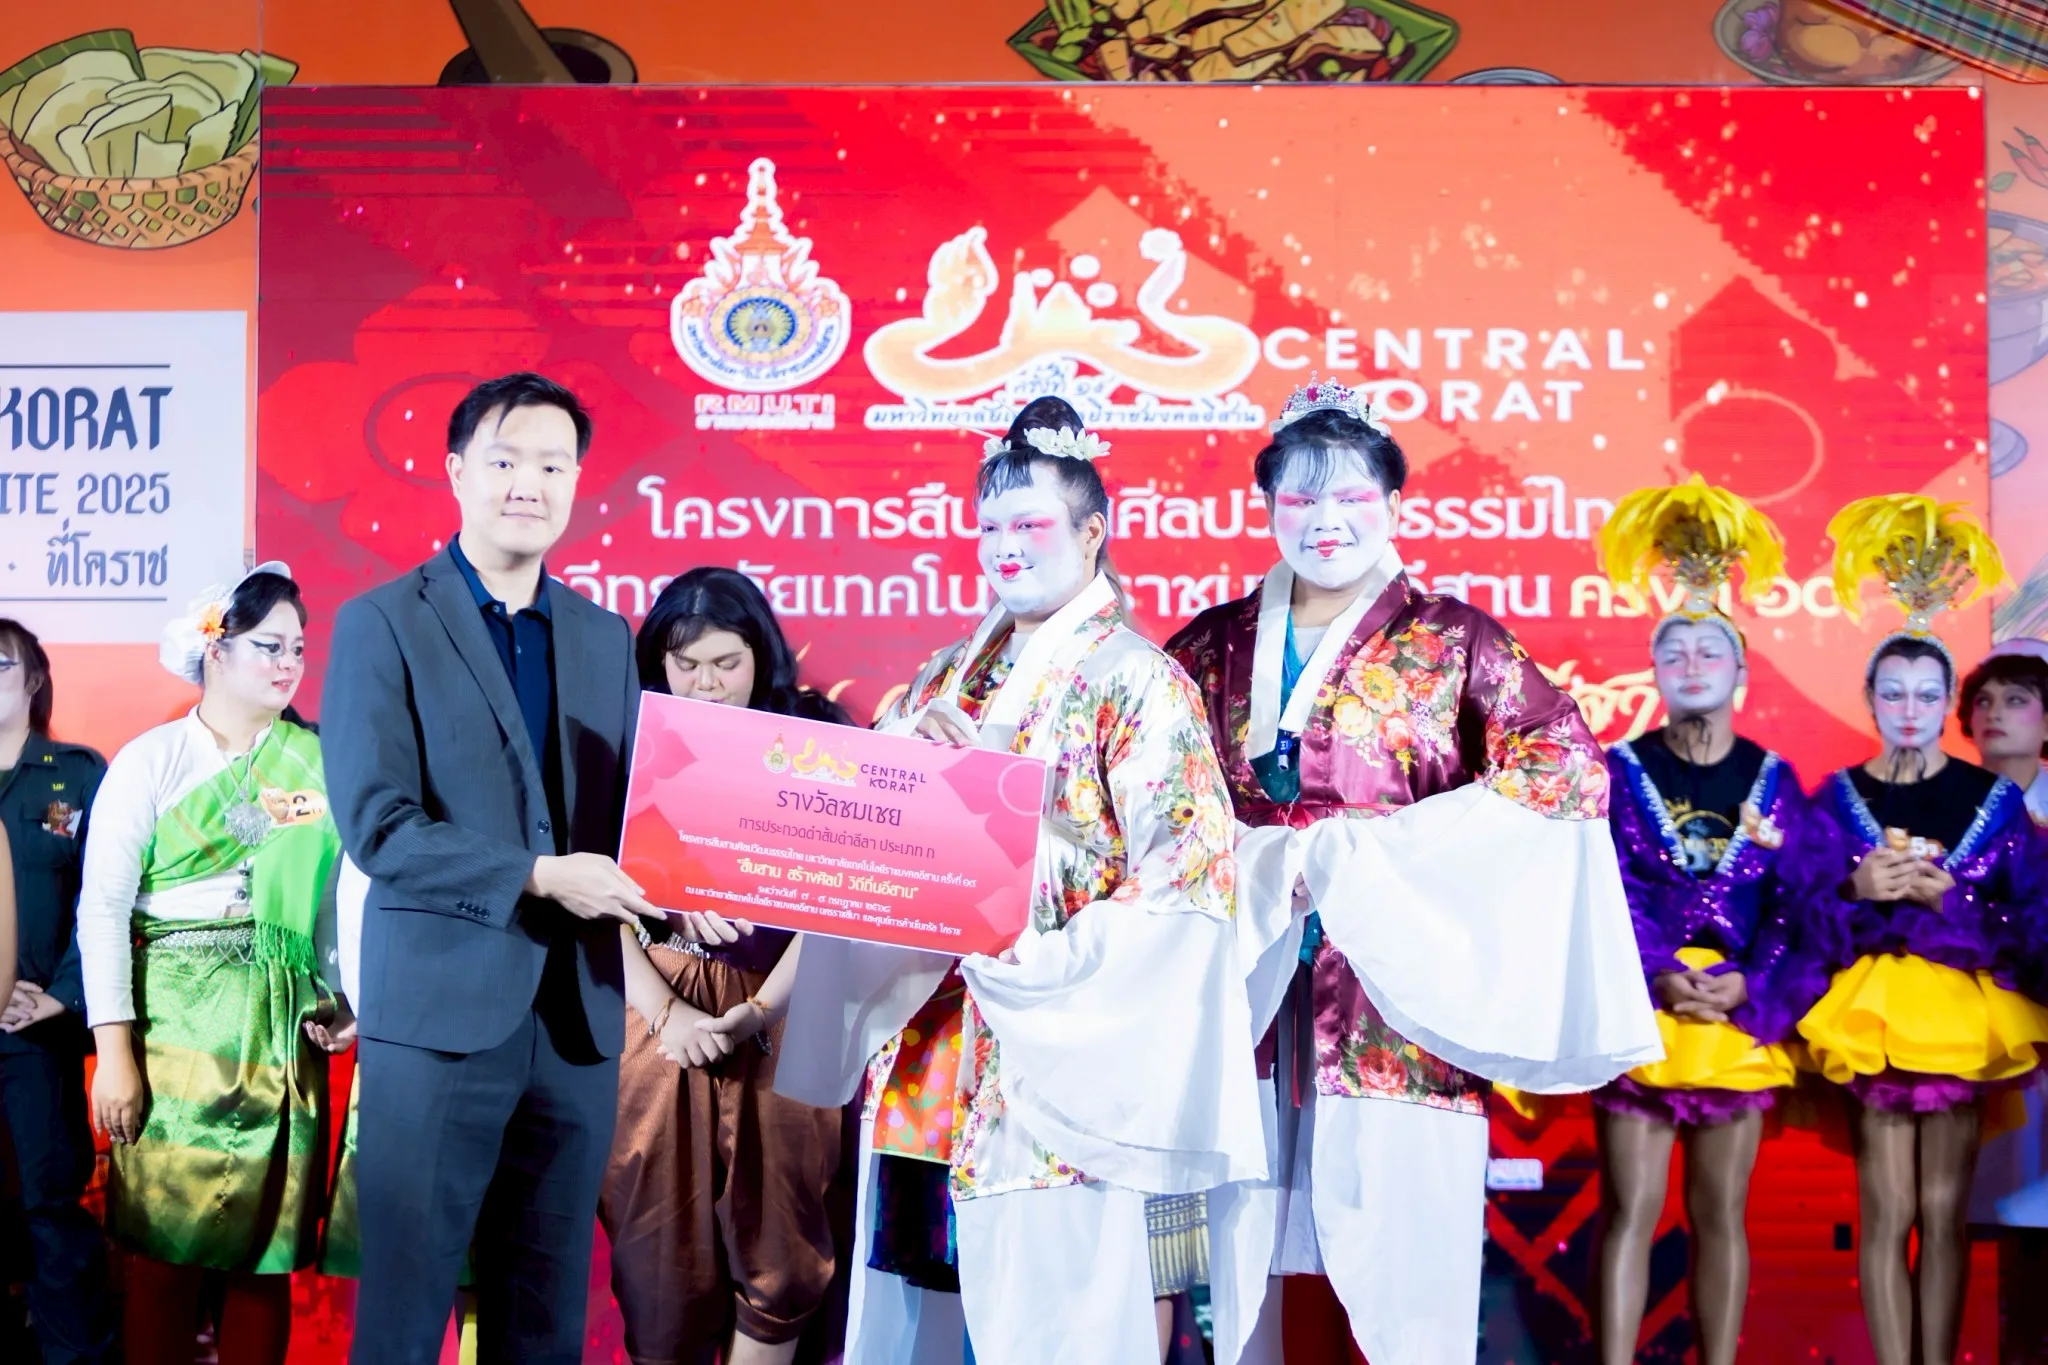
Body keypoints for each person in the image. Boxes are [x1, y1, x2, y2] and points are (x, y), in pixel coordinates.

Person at [1166, 380, 1658, 1365]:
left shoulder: (1452, 639)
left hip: (1395, 998)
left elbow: (1563, 766)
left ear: (1390, 502)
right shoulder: (1208, 644)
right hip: (1235, 995)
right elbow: (1152, 794)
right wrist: (1252, 861)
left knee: (1406, 1267)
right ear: (1266, 506)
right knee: (1233, 1256)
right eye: (1300, 497)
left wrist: (1369, 859)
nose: (1325, 520)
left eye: (1351, 495)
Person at [778, 397, 1263, 1365]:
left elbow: (1189, 873)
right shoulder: (939, 680)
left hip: (1062, 1046)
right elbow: (868, 836)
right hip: (932, 1056)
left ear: (1092, 532)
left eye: (1031, 524)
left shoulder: (1138, 680)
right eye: (989, 526)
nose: (1005, 546)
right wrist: (902, 758)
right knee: (923, 1320)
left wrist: (1037, 951)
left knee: (1071, 1316)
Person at [322, 372, 733, 1364]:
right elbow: (380, 826)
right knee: (405, 1315)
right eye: (506, 461)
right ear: (457, 471)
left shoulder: (601, 636)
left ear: (576, 482)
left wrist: (680, 894)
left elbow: (630, 818)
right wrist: (539, 877)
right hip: (437, 1025)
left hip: (577, 1027)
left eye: (553, 465)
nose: (529, 484)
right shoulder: (384, 622)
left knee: (545, 1319)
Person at [74, 566, 352, 1365]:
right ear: (215, 650)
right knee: (164, 1250)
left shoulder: (316, 764)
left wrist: (344, 998)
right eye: (269, 646)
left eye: (297, 647)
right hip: (174, 1030)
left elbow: (329, 898)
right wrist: (115, 1052)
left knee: (264, 1254)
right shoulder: (151, 759)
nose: (289, 663)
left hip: (280, 1028)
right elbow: (102, 908)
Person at [1589, 480, 1838, 1365]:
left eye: (1710, 650)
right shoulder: (1615, 770)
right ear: (1654, 672)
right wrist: (1658, 967)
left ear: (1741, 673)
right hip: (1643, 1011)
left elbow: (1802, 904)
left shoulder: (1779, 779)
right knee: (1628, 1210)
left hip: (1737, 1021)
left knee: (1721, 1213)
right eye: (1674, 651)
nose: (1692, 664)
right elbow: (1603, 888)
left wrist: (1749, 984)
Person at [1801, 495, 2048, 1365]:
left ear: (1949, 703)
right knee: (1885, 1210)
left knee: (1943, 1213)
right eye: (1893, 691)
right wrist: (1858, 889)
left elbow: (2034, 924)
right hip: (1869, 1017)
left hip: (1959, 1022)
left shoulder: (1995, 801)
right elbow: (1796, 919)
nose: (1910, 707)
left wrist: (1956, 906)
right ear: (1870, 698)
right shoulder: (1835, 796)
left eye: (1927, 692)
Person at [601, 567, 847, 1365]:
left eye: (726, 663)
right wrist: (666, 1013)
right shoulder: (624, 744)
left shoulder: (818, 739)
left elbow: (844, 903)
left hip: (787, 1012)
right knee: (657, 1257)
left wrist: (762, 1010)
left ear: (760, 655)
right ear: (658, 663)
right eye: (687, 664)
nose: (707, 684)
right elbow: (591, 901)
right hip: (654, 1013)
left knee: (785, 1251)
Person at [0, 618, 116, 1364]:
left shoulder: (74, 774)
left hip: (34, 1032)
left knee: (50, 1207)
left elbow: (105, 898)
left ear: (34, 678)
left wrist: (63, 993)